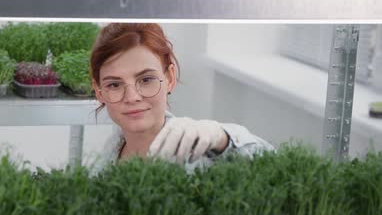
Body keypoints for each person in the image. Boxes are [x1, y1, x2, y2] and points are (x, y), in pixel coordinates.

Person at [89, 23, 273, 172]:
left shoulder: (201, 155)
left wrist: (222, 138)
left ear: (169, 78)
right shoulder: (108, 154)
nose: (132, 97)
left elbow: (273, 164)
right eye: (114, 85)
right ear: (99, 91)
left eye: (146, 79)